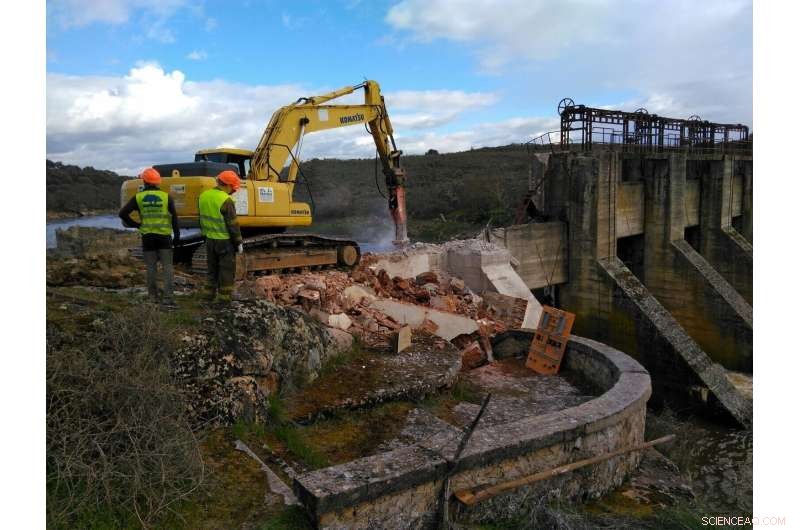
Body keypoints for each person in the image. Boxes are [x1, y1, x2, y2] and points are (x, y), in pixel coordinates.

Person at [119, 167, 180, 306]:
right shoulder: (166, 197)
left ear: (144, 181)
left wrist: (137, 225)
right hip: (164, 237)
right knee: (167, 267)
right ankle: (168, 298)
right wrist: (177, 235)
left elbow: (122, 214)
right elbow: (174, 217)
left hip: (147, 237)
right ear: (158, 182)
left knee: (151, 267)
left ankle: (153, 297)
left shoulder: (138, 197)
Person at [198, 170, 243, 303]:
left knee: (212, 269)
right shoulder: (225, 200)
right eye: (233, 188)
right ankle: (224, 298)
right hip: (224, 241)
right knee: (226, 270)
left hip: (210, 239)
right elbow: (233, 224)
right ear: (228, 185)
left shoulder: (204, 196)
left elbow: (200, 218)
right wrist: (238, 242)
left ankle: (208, 295)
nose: (233, 191)